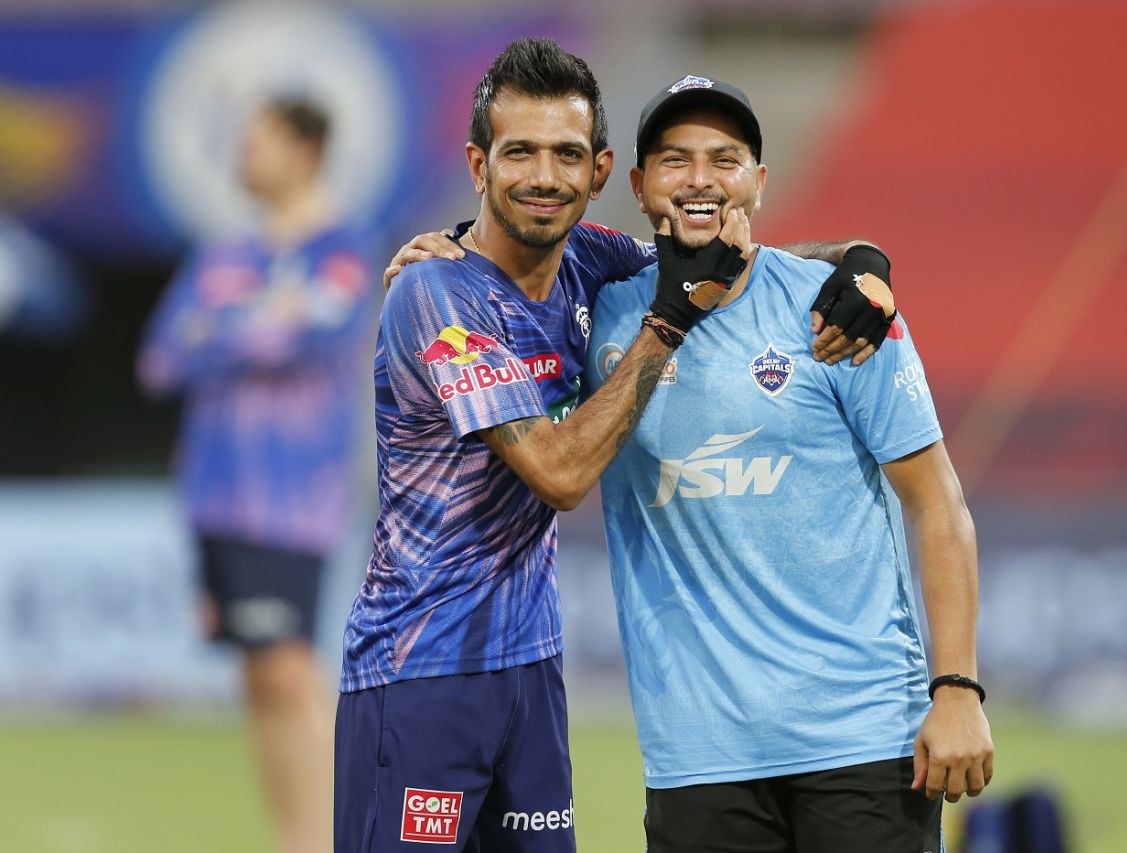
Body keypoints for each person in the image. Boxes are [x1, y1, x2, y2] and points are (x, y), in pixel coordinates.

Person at [336, 38, 888, 853]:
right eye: (518, 151)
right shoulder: (438, 293)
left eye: (566, 154)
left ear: (599, 173)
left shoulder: (589, 259)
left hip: (530, 668)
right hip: (421, 669)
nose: (543, 176)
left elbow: (741, 272)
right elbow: (558, 473)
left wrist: (859, 262)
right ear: (478, 162)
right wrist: (666, 323)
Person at [580, 76, 995, 852]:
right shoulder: (599, 315)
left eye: (725, 158)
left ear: (759, 183)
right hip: (697, 751)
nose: (700, 177)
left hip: (866, 736)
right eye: (674, 160)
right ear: (637, 186)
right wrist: (446, 250)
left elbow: (937, 502)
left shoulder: (840, 311)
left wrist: (957, 687)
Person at [137, 95, 377, 853]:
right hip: (216, 497)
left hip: (290, 500)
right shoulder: (226, 253)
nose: (243, 157)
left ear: (306, 151)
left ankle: (350, 835)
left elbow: (317, 332)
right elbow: (163, 356)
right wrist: (259, 318)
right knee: (257, 679)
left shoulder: (340, 248)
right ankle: (297, 839)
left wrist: (226, 324)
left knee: (288, 671)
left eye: (259, 143)